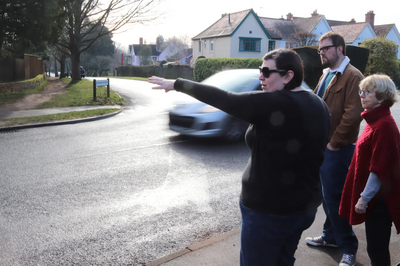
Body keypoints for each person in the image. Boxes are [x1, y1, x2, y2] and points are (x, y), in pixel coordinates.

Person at [149, 48, 331, 266]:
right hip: (304, 207)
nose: (260, 77)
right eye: (259, 70)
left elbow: (225, 99)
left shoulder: (276, 103)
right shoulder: (319, 104)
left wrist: (178, 84)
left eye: (266, 72)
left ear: (288, 76)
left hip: (269, 211)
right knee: (284, 260)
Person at [305, 32, 364, 266]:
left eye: (325, 49)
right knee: (327, 198)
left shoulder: (353, 76)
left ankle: (348, 248)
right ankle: (330, 237)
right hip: (322, 147)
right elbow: (316, 101)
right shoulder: (327, 74)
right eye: (320, 50)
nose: (321, 53)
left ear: (339, 49)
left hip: (338, 149)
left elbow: (352, 116)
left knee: (336, 198)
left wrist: (333, 143)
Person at [339, 74, 400, 266]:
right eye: (361, 91)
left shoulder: (384, 125)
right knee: (375, 247)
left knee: (376, 249)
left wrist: (364, 199)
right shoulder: (374, 120)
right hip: (376, 198)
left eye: (367, 92)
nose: (362, 95)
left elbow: (380, 168)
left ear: (382, 97)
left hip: (380, 200)